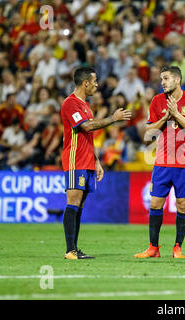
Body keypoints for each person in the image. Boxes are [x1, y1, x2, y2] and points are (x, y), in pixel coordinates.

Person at [61, 66, 131, 260]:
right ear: (85, 83)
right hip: (75, 159)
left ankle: (74, 248)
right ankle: (70, 250)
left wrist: (97, 162)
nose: (97, 85)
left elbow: (88, 137)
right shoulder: (70, 104)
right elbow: (86, 126)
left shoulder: (85, 106)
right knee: (73, 202)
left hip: (87, 161)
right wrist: (113, 119)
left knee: (80, 206)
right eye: (95, 81)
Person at [134, 66, 185, 259]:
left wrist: (177, 115)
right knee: (155, 204)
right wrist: (166, 117)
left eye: (166, 78)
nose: (162, 82)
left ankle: (177, 248)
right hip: (162, 163)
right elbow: (148, 134)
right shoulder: (157, 102)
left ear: (177, 79)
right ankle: (153, 248)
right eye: (161, 79)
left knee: (182, 205)